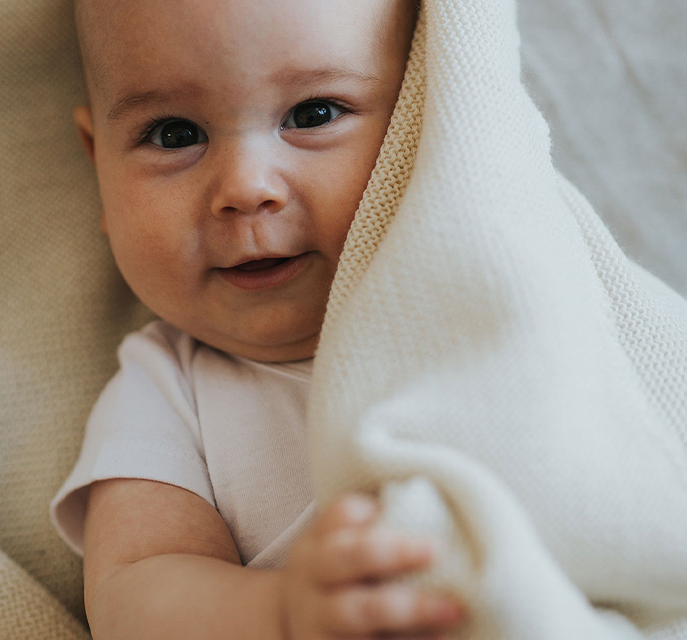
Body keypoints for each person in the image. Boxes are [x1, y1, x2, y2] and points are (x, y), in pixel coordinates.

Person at [51, 0, 468, 637]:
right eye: (175, 134)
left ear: (424, 109)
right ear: (97, 161)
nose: (247, 188)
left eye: (313, 114)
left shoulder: (478, 295)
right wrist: (280, 615)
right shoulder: (167, 387)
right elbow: (134, 587)